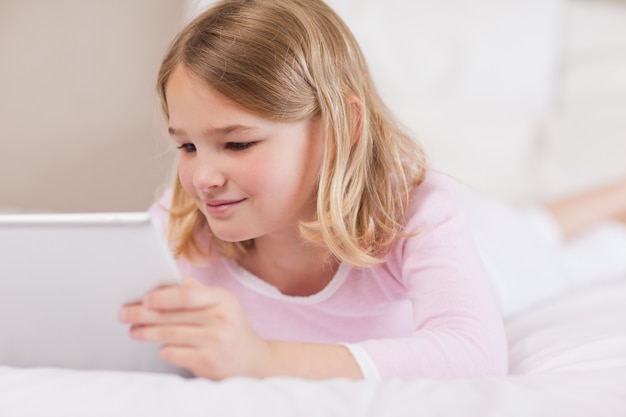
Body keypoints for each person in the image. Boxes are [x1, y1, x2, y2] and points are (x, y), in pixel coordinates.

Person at [117, 0, 626, 381]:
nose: (203, 177)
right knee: (537, 222)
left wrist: (264, 359)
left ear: (339, 128)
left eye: (238, 143)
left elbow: (476, 353)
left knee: (547, 240)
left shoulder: (415, 206)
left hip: (496, 256)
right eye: (186, 147)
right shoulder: (182, 221)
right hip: (487, 227)